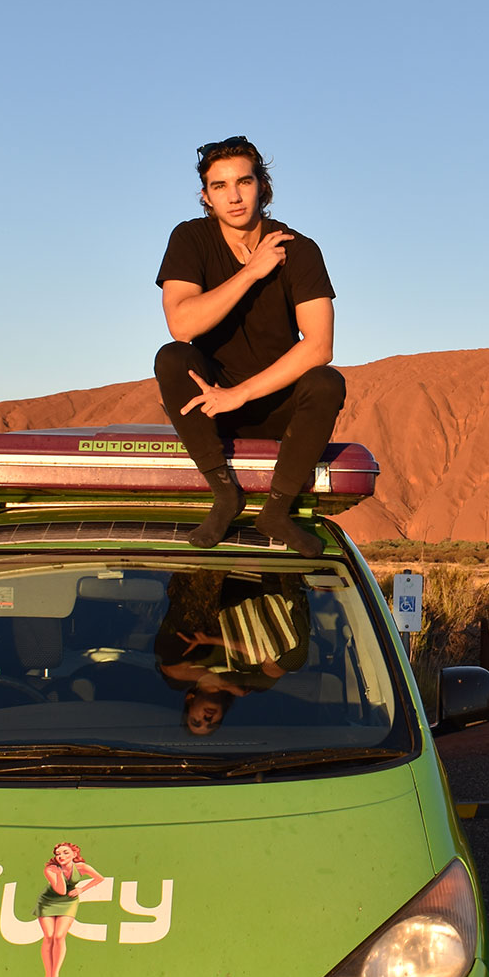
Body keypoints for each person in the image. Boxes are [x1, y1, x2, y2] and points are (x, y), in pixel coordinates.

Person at [155, 136, 345, 557]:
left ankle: (277, 509)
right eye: (220, 186)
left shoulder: (301, 250)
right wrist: (250, 273)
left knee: (327, 381)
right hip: (211, 406)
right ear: (206, 195)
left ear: (263, 186)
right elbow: (181, 325)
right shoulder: (190, 239)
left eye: (244, 181)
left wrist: (238, 395)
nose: (234, 196)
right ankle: (225, 494)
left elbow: (320, 345)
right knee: (172, 358)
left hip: (276, 403)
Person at [154, 571, 312, 733]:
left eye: (196, 721)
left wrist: (212, 679)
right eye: (212, 724)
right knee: (294, 657)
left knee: (170, 650)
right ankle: (278, 581)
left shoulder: (178, 680)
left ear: (189, 700)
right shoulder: (252, 685)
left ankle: (209, 569)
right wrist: (217, 642)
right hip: (262, 590)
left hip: (209, 589)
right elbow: (274, 658)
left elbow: (170, 668)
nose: (206, 719)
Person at [36, 842, 104, 977]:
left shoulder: (82, 867)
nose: (61, 856)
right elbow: (60, 890)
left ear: (74, 854)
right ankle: (47, 976)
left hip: (69, 902)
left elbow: (99, 878)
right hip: (48, 901)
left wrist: (81, 889)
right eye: (58, 854)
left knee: (59, 936)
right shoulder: (50, 869)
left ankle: (55, 976)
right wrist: (59, 874)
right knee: (49, 936)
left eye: (66, 852)